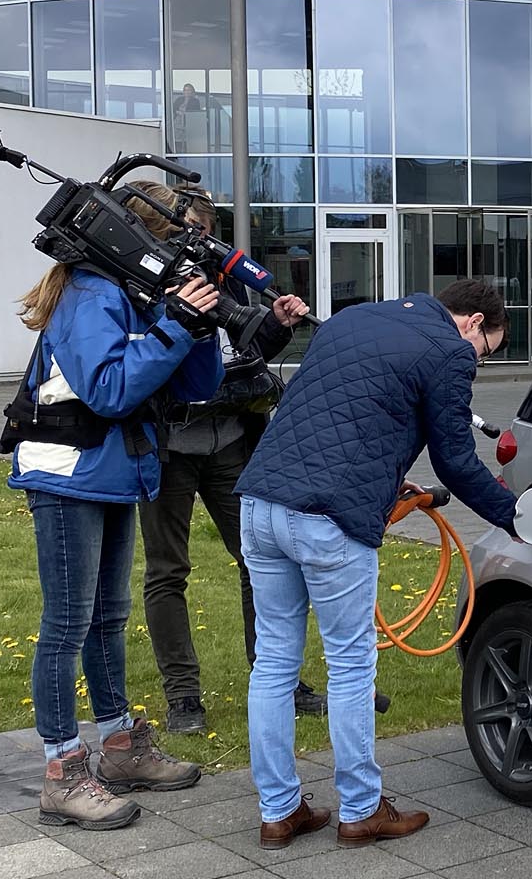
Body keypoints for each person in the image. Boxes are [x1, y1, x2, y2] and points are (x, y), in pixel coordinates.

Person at [235, 278, 519, 851]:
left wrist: (387, 476)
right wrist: (518, 519)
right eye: (486, 349)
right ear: (472, 324)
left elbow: (338, 414)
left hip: (261, 503)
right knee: (350, 666)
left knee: (273, 663)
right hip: (328, 519)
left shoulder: (352, 317)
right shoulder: (448, 350)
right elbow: (457, 463)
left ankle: (279, 811)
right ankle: (362, 810)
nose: (478, 360)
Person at [5, 179, 225, 832]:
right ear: (133, 238)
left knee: (107, 617)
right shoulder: (89, 295)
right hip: (69, 473)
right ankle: (61, 773)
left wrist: (200, 324)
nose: (182, 255)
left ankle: (120, 748)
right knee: (68, 623)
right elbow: (107, 388)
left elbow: (195, 383)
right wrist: (173, 324)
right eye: (172, 241)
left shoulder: (132, 293)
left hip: (112, 472)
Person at [139, 191, 326, 737]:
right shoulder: (145, 277)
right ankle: (184, 699)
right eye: (183, 234)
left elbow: (246, 354)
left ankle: (278, 681)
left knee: (259, 561)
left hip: (229, 439)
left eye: (199, 233)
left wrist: (276, 323)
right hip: (169, 443)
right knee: (167, 572)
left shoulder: (230, 276)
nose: (192, 244)